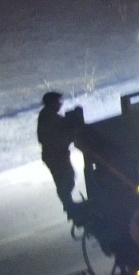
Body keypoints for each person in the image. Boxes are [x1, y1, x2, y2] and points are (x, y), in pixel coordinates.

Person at [36, 91, 85, 222]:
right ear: (51, 103)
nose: (60, 104)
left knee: (66, 178)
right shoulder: (49, 118)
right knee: (65, 179)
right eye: (58, 102)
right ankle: (69, 206)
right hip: (55, 156)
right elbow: (59, 136)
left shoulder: (48, 116)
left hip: (56, 155)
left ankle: (69, 206)